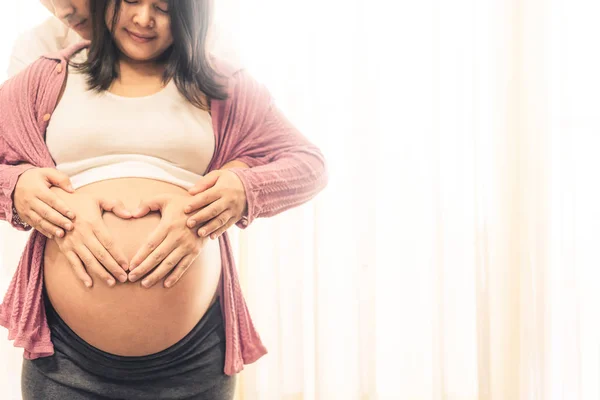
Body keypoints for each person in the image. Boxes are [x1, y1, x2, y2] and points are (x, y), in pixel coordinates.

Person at [0, 0, 327, 398]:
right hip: (65, 359)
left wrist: (243, 191)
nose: (143, 19)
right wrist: (15, 187)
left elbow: (309, 165)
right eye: (132, 1)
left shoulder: (223, 87)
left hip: (193, 360)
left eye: (164, 8)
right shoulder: (47, 78)